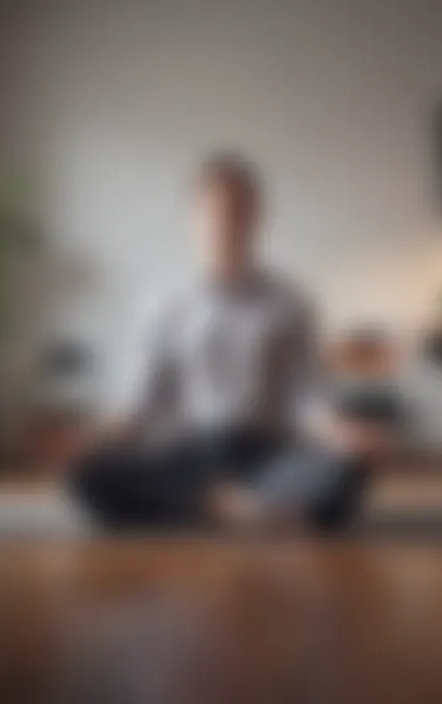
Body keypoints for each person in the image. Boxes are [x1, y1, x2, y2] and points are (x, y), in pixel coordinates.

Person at [65, 153, 386, 532]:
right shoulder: (162, 302)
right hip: (188, 456)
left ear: (257, 218)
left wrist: (343, 433)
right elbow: (134, 406)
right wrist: (90, 437)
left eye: (238, 211)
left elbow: (309, 400)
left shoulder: (291, 301)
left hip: (266, 455)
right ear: (194, 217)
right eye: (214, 211)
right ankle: (237, 508)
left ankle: (210, 509)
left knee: (345, 469)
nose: (225, 223)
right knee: (88, 474)